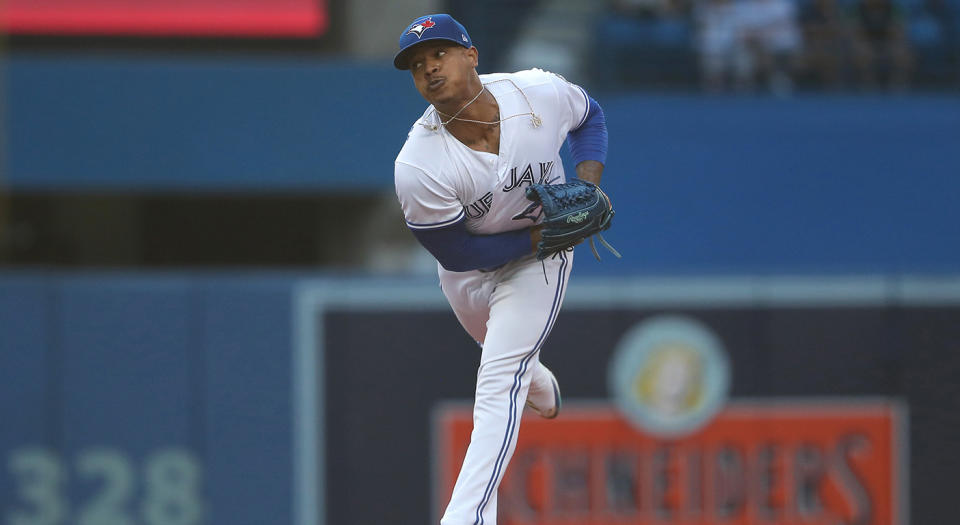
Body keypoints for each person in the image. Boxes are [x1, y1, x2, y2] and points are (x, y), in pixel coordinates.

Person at [392, 13, 609, 525]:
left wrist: (589, 184)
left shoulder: (536, 92)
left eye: (439, 54)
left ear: (471, 54)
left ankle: (466, 517)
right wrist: (539, 233)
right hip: (471, 270)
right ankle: (538, 380)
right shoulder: (418, 165)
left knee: (496, 376)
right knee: (509, 360)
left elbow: (590, 116)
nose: (429, 69)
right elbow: (459, 255)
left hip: (540, 263)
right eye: (418, 65)